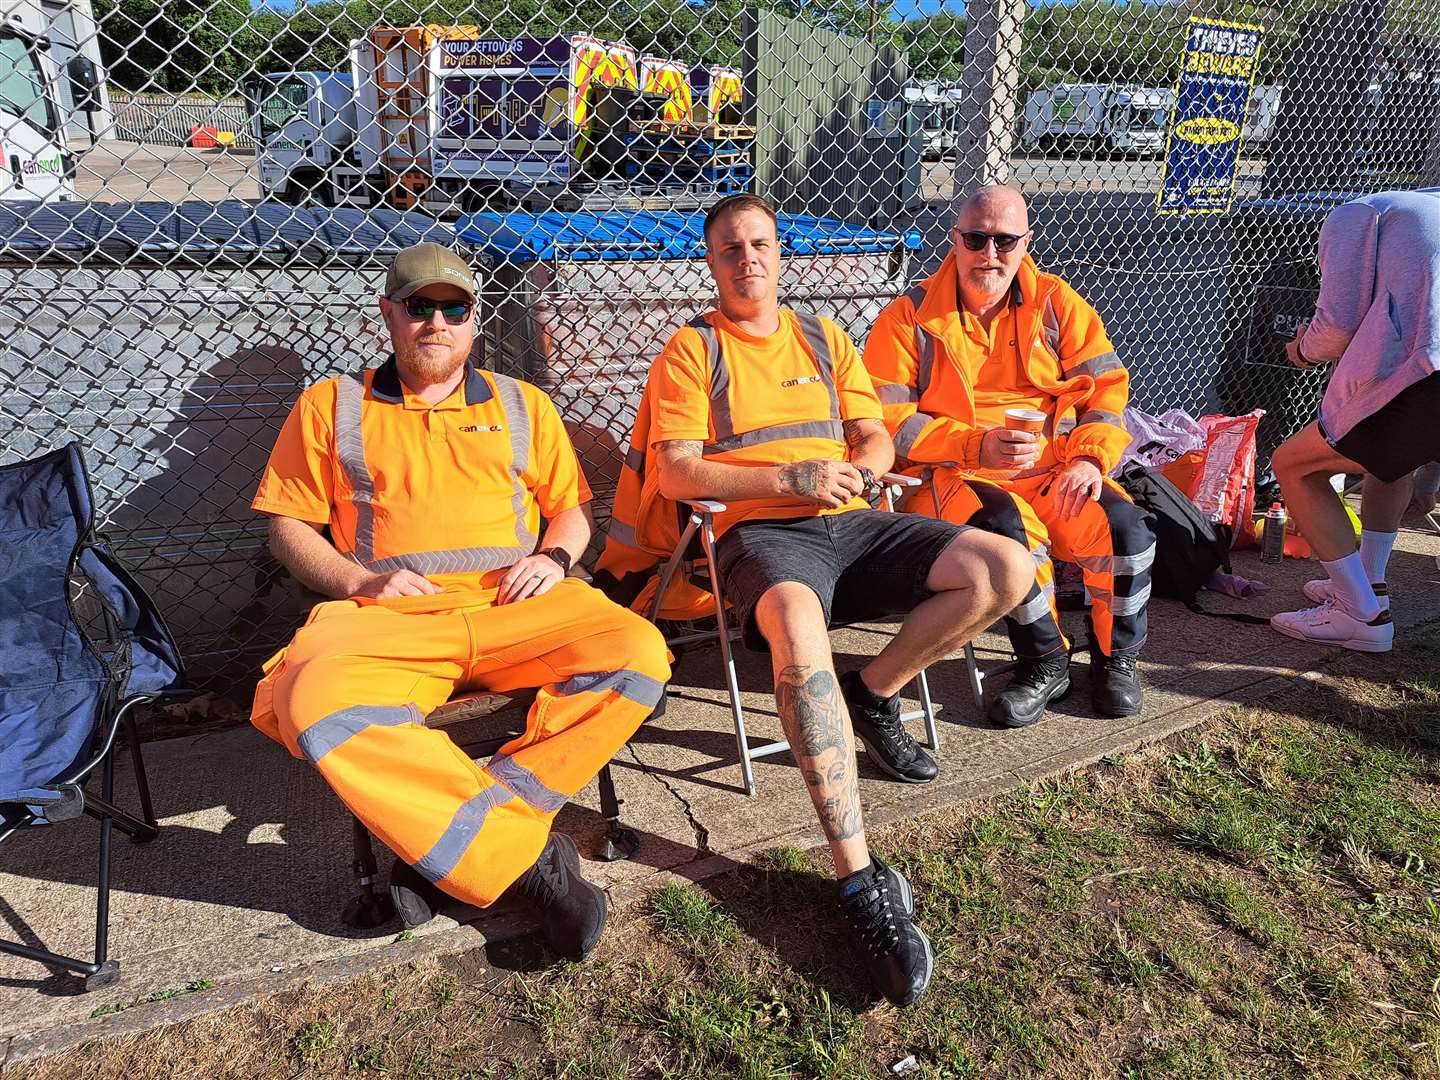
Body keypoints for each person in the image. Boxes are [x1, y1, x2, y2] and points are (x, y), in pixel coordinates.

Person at [641, 193, 1033, 1007]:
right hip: (763, 532)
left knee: (1005, 566)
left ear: (780, 253)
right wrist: (788, 478)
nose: (748, 259)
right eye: (729, 249)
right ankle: (861, 879)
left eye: (760, 244)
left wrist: (869, 457)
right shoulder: (692, 348)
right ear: (711, 264)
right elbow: (676, 470)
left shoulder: (824, 336)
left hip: (852, 520)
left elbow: (876, 431)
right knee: (792, 620)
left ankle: (873, 690)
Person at [248, 242, 670, 959]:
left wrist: (554, 556)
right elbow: (286, 525)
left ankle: (444, 842)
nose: (436, 322)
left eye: (454, 308)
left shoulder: (522, 403)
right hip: (391, 615)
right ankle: (529, 861)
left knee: (638, 655)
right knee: (315, 704)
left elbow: (573, 508)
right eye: (419, 306)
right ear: (389, 315)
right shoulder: (330, 405)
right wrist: (358, 582)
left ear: (475, 319)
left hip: (518, 606)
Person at [864, 185, 1154, 726]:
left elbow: (1107, 392)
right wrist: (976, 444)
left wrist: (1088, 460)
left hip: (1053, 469)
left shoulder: (1058, 303)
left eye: (1004, 241)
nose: (989, 254)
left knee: (1124, 530)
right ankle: (1045, 662)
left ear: (1026, 242)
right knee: (1007, 535)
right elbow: (887, 423)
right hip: (951, 475)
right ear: (954, 241)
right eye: (976, 239)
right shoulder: (908, 317)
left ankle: (1118, 661)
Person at [1271, 189, 1440, 651]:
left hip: (1423, 376)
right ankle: (1369, 581)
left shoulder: (1360, 212)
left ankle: (1360, 615)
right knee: (1391, 461)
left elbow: (1338, 325)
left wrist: (1304, 350)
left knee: (1293, 464)